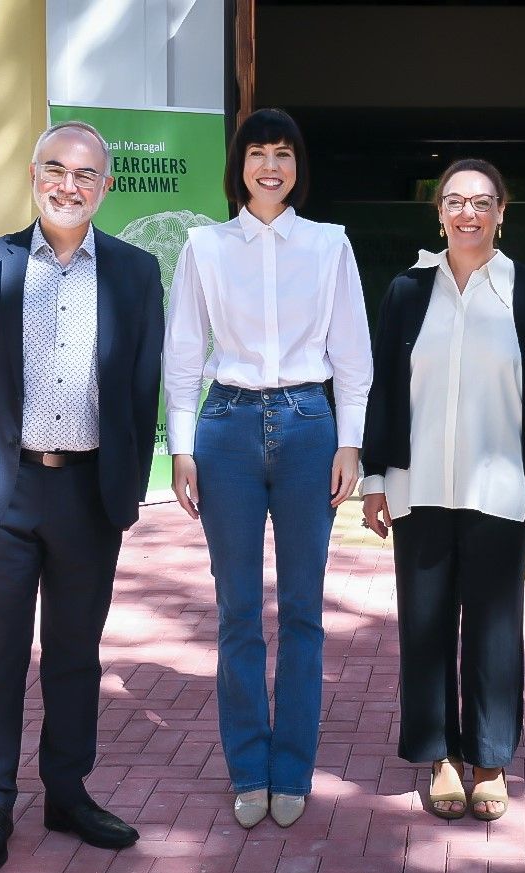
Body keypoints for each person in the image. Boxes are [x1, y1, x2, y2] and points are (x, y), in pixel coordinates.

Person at [0, 120, 164, 873]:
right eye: (55, 170)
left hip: (89, 493)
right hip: (5, 487)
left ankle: (66, 791)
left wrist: (130, 484)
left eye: (85, 175)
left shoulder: (133, 271)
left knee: (74, 654)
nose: (68, 185)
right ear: (33, 176)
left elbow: (139, 388)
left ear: (105, 187)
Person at [163, 108, 372, 830]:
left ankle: (293, 769)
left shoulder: (329, 245)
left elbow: (351, 353)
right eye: (258, 154)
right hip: (226, 429)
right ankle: (248, 768)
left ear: (296, 166)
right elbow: (185, 350)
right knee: (238, 612)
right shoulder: (205, 247)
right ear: (240, 165)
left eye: (283, 154)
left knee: (306, 612)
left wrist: (351, 443)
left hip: (311, 428)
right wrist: (180, 446)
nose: (270, 167)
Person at [360, 159, 525, 821]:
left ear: (501, 211)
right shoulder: (407, 289)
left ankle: (489, 759)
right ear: (438, 212)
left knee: (493, 628)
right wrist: (373, 480)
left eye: (480, 201)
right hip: (417, 485)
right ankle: (440, 756)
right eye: (453, 201)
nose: (467, 213)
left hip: (499, 486)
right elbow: (387, 389)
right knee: (424, 627)